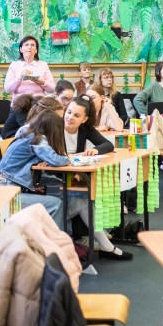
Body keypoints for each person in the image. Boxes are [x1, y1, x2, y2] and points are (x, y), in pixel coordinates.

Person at [61, 96, 131, 260]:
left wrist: (96, 150)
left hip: (73, 176)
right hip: (56, 179)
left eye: (76, 115)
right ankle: (104, 243)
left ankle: (100, 238)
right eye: (68, 112)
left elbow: (108, 145)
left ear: (85, 119)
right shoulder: (55, 127)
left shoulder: (84, 129)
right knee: (84, 199)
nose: (70, 117)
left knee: (93, 192)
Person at [0, 110, 66, 223]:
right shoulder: (37, 139)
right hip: (7, 192)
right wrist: (69, 159)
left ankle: (51, 232)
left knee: (59, 187)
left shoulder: (29, 133)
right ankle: (54, 235)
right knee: (56, 204)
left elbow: (48, 157)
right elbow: (56, 160)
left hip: (9, 186)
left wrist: (44, 160)